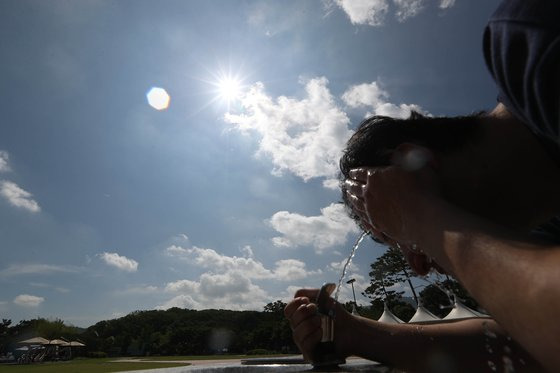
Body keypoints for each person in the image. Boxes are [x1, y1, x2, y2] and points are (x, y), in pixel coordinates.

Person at [285, 0, 560, 371]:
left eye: (404, 235)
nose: (419, 267)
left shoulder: (532, 47)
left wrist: (423, 218)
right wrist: (358, 335)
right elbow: (527, 338)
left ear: (418, 164)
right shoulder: (546, 235)